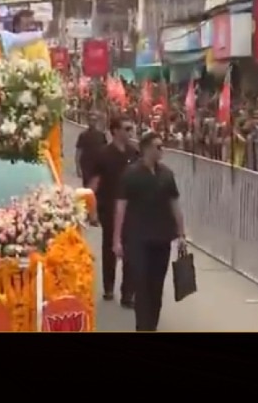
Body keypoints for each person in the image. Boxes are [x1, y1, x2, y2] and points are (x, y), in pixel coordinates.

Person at [112, 132, 186, 332]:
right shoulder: (131, 174)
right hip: (138, 238)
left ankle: (151, 325)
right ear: (146, 148)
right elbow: (121, 206)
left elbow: (175, 205)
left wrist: (181, 234)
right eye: (158, 147)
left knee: (156, 286)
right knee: (142, 284)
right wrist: (116, 239)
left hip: (162, 238)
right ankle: (143, 326)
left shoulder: (166, 174)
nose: (162, 150)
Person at [89, 115, 139, 307]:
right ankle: (108, 286)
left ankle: (128, 293)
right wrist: (91, 209)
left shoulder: (134, 153)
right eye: (126, 128)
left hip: (131, 209)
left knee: (131, 250)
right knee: (110, 248)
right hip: (108, 207)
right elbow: (94, 183)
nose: (130, 132)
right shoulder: (103, 154)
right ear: (115, 131)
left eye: (131, 129)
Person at [75, 112, 108, 186]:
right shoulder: (83, 135)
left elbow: (105, 150)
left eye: (94, 120)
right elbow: (79, 151)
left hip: (97, 165)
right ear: (88, 121)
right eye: (90, 120)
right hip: (86, 165)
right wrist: (78, 167)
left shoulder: (101, 135)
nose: (92, 122)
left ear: (96, 122)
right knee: (87, 186)